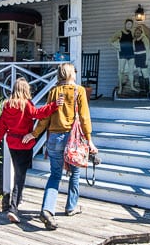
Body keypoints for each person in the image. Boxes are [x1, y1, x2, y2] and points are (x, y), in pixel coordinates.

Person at [23, 62, 96, 230]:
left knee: (55, 175)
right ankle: (71, 206)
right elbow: (85, 118)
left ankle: (47, 209)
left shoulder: (54, 91)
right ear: (70, 74)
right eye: (74, 71)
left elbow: (45, 117)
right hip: (72, 139)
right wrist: (90, 140)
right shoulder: (79, 91)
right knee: (75, 172)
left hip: (54, 138)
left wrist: (34, 134)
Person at [0, 78, 63, 224]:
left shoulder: (7, 106)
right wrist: (54, 105)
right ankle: (13, 209)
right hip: (25, 144)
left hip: (12, 144)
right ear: (25, 90)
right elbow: (38, 113)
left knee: (18, 172)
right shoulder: (26, 105)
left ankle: (17, 200)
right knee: (20, 177)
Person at [109, 18, 138, 95]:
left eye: (131, 25)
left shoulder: (132, 33)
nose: (129, 26)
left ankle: (132, 86)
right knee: (121, 71)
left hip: (131, 53)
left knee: (131, 71)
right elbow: (111, 41)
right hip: (123, 54)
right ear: (125, 24)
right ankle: (120, 87)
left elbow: (134, 41)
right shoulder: (120, 32)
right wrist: (118, 47)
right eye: (128, 24)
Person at [132, 23, 150, 94]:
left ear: (141, 32)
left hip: (143, 57)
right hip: (137, 57)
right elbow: (134, 49)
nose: (137, 33)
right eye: (136, 32)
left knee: (145, 73)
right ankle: (142, 89)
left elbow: (148, 49)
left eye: (139, 32)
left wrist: (147, 59)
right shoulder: (134, 40)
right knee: (139, 73)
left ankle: (147, 90)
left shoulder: (144, 38)